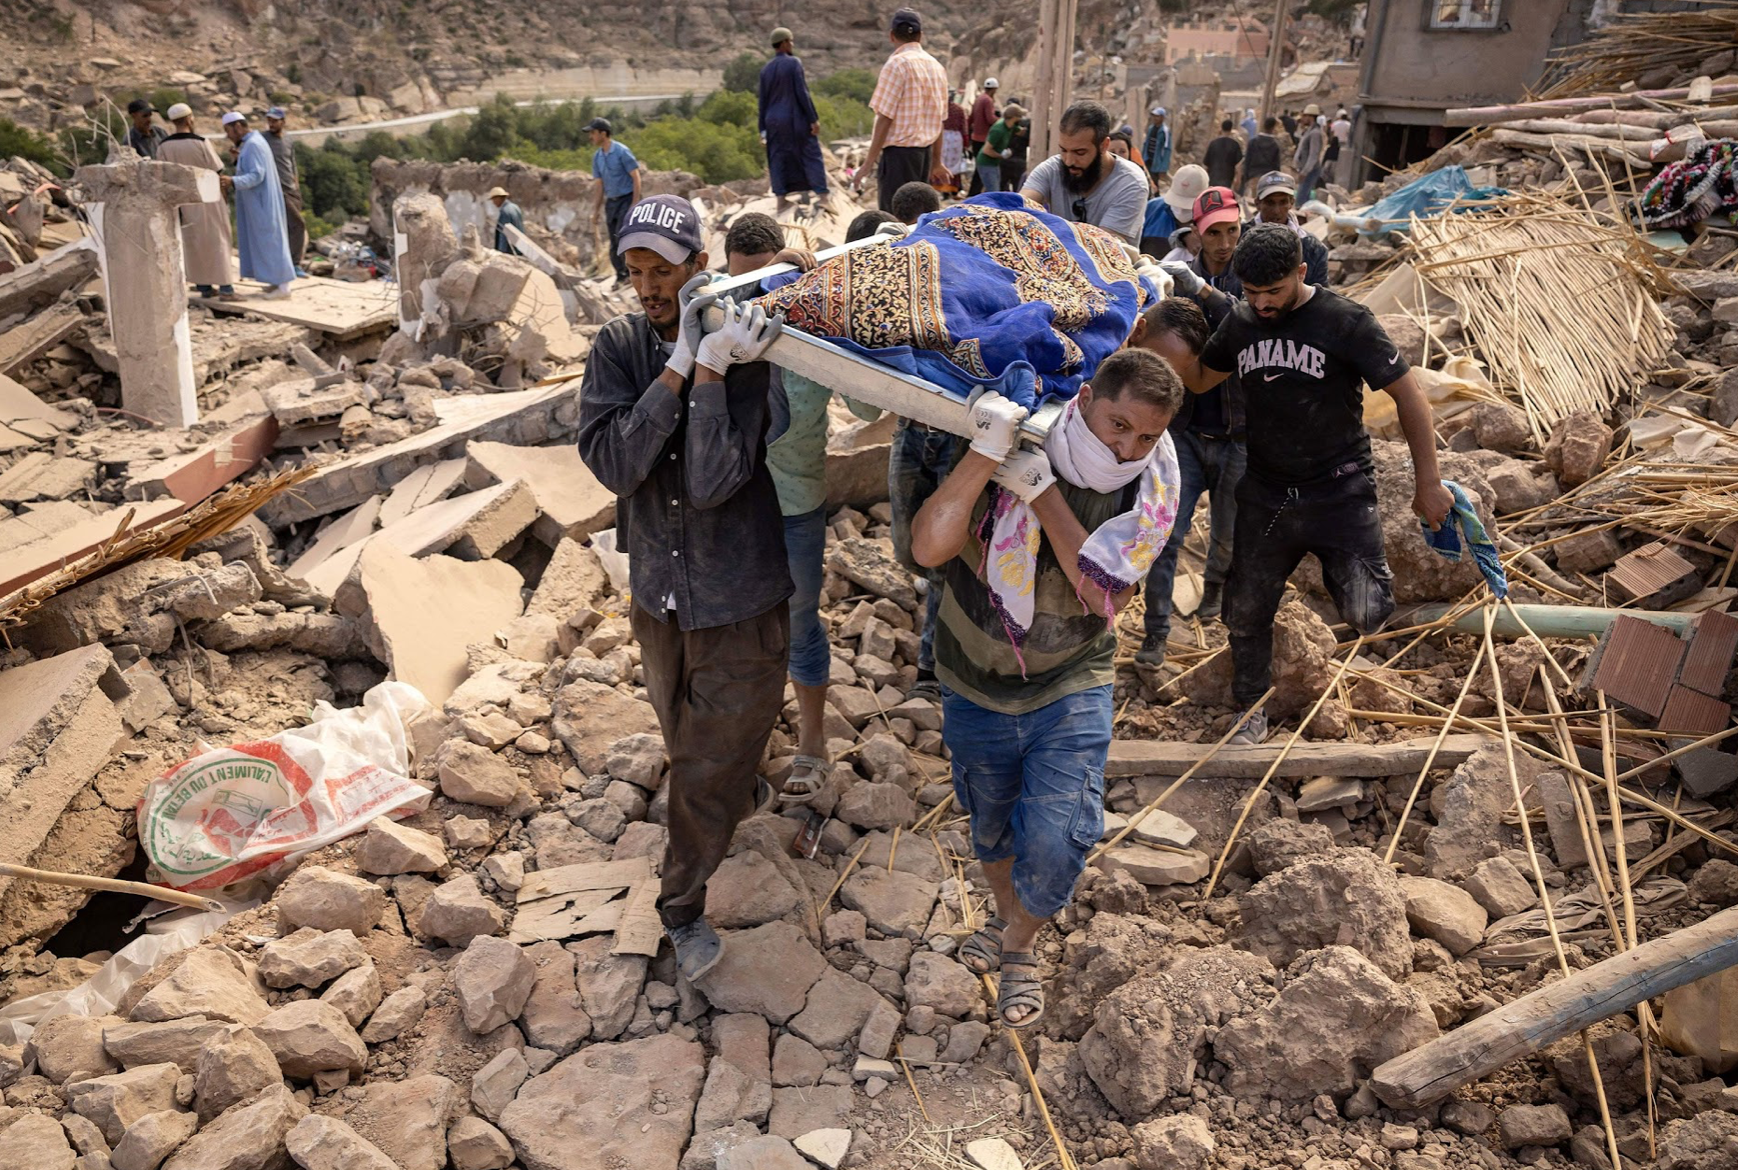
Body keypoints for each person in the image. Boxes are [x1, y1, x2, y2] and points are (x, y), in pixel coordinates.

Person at [910, 349, 1184, 1027]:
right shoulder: (1017, 446)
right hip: (972, 676)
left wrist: (1044, 494)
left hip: (1071, 679)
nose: (1125, 447)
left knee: (1061, 836)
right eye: (1116, 424)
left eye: (1145, 436)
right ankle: (1011, 933)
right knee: (993, 822)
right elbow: (927, 548)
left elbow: (1098, 594)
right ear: (1085, 397)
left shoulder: (1151, 490)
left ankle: (1019, 945)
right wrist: (988, 456)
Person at [575, 194, 789, 981]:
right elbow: (615, 464)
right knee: (684, 740)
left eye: (661, 272)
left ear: (700, 266)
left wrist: (709, 370)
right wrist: (673, 367)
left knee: (700, 769)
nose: (646, 289)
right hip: (660, 593)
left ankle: (680, 909)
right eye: (634, 273)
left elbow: (708, 482)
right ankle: (737, 782)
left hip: (740, 594)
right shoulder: (620, 347)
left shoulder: (746, 347)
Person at [1182, 225, 1452, 744]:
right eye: (1251, 291)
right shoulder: (1241, 323)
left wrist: (1430, 483)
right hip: (1267, 492)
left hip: (1339, 489)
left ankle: (1337, 575)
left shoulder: (1346, 323)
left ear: (1301, 273)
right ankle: (1250, 705)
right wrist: (1160, 333)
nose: (1261, 303)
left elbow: (1411, 399)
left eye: (1274, 292)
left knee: (1367, 612)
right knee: (1244, 609)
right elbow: (1198, 380)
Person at [719, 213, 885, 805]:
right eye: (737, 283)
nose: (750, 297)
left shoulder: (812, 322)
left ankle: (814, 742)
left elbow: (868, 410)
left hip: (795, 504)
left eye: (758, 283)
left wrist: (841, 311)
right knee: (731, 625)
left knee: (799, 621)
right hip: (727, 502)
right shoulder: (716, 313)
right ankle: (744, 741)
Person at [1134, 187, 1246, 667]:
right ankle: (1155, 634)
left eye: (1231, 231)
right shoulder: (1179, 280)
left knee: (1227, 533)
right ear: (1196, 236)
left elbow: (1245, 325)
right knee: (1166, 535)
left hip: (1239, 434)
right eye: (1213, 233)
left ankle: (1213, 600)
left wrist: (1203, 292)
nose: (1223, 242)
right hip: (1185, 434)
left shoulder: (1249, 281)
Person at [857, 7, 950, 214]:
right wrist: (937, 161)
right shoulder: (936, 67)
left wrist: (868, 163)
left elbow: (884, 118)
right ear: (921, 36)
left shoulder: (896, 64)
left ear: (892, 36)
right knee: (918, 219)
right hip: (924, 157)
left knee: (893, 221)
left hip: (899, 157)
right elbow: (939, 120)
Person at [1018, 99, 1148, 245]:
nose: (1068, 161)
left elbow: (1103, 248)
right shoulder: (1052, 169)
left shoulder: (1131, 184)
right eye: (1064, 150)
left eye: (1079, 152)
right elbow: (1019, 207)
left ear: (1104, 146)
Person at [158, 104, 235, 299]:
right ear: (189, 119)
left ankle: (204, 287)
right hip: (209, 198)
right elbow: (217, 171)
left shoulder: (164, 146)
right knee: (218, 240)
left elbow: (162, 175)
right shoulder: (201, 142)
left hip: (184, 201)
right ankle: (226, 288)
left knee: (194, 243)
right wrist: (225, 200)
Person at [220, 112, 295, 299]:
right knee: (266, 241)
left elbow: (256, 175)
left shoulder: (253, 144)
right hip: (258, 203)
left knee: (271, 241)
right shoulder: (252, 142)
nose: (228, 135)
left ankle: (284, 287)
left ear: (238, 126)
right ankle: (275, 282)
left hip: (262, 203)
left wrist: (232, 181)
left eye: (228, 131)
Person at [760, 28, 829, 212]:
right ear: (783, 43)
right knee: (810, 154)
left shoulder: (766, 69)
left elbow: (762, 102)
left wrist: (762, 131)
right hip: (794, 119)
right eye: (790, 41)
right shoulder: (793, 63)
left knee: (778, 159)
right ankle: (823, 197)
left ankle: (781, 201)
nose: (792, 44)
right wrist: (813, 119)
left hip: (772, 122)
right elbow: (802, 93)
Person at [589, 118, 643, 283]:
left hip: (626, 199)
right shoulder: (598, 157)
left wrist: (634, 204)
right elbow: (599, 185)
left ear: (603, 134)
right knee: (613, 240)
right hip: (611, 202)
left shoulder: (621, 151)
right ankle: (620, 275)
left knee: (623, 236)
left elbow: (636, 177)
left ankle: (631, 273)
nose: (590, 137)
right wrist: (596, 211)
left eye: (593, 133)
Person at [1251, 171, 1328, 286]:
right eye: (1270, 202)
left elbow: (1321, 296)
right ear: (1257, 203)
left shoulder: (1313, 248)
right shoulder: (1239, 239)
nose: (1276, 211)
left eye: (1283, 202)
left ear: (1291, 202)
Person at [264, 107, 307, 274]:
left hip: (291, 190)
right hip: (276, 189)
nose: (271, 124)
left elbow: (292, 163)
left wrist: (296, 185)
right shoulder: (263, 139)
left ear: (283, 122)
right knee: (298, 225)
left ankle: (290, 263)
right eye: (269, 120)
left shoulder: (288, 140)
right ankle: (294, 264)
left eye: (275, 121)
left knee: (291, 227)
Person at [1139, 161, 1205, 259]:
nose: (1181, 209)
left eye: (1188, 206)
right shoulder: (1152, 209)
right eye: (1177, 203)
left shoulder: (1212, 221)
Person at [973, 103, 1023, 197]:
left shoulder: (1009, 126)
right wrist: (1001, 155)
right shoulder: (998, 130)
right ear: (1014, 117)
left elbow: (1020, 131)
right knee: (994, 192)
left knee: (990, 189)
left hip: (994, 163)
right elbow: (987, 150)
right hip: (986, 163)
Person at [966, 77, 998, 196]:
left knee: (979, 168)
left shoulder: (979, 98)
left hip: (975, 138)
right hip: (983, 139)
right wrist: (1002, 121)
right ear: (994, 89)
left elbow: (970, 118)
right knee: (983, 168)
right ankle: (974, 193)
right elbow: (990, 119)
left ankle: (973, 192)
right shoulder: (988, 100)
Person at [1294, 104, 1325, 201]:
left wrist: (1305, 172)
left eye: (1304, 116)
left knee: (1301, 199)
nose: (1302, 119)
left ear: (1310, 117)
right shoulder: (1308, 131)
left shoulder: (1315, 133)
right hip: (1305, 169)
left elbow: (1313, 156)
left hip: (1310, 171)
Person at [1203, 118, 1243, 190]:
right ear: (1231, 129)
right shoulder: (1235, 145)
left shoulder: (1213, 144)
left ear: (1221, 128)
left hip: (1213, 178)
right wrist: (1238, 180)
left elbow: (1206, 164)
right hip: (1227, 180)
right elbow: (1238, 166)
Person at [940, 93, 968, 194]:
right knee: (954, 165)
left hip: (942, 137)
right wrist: (966, 143)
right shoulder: (959, 109)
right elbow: (964, 127)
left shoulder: (941, 108)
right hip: (955, 139)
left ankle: (942, 187)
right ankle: (952, 187)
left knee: (942, 162)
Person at [1244, 117, 1283, 187]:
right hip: (1268, 177)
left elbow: (1247, 161)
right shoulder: (1275, 144)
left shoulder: (1253, 142)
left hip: (1253, 175)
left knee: (1254, 196)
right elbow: (1276, 165)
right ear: (1273, 127)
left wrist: (1246, 177)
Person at [1000, 107, 1031, 192]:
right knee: (1018, 189)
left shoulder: (1005, 125)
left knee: (1002, 187)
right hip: (1019, 160)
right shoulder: (1026, 124)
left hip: (1005, 159)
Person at [488, 187, 525, 255]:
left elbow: (504, 234)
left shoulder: (505, 212)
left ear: (498, 198)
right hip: (519, 247)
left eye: (494, 199)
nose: (493, 203)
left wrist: (501, 253)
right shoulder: (515, 207)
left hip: (511, 250)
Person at [1142, 105, 1172, 185]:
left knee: (1154, 183)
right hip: (1148, 159)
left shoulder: (1165, 131)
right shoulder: (1151, 128)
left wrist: (1163, 167)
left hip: (1156, 162)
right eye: (1154, 116)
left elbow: (1167, 149)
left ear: (1162, 118)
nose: (1155, 118)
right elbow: (1146, 144)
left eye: (1157, 116)